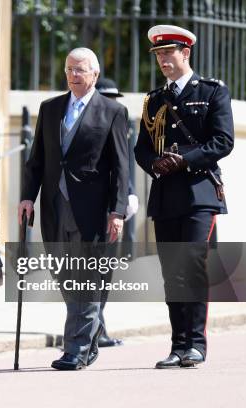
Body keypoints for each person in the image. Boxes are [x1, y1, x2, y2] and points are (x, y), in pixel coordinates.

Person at [19, 48, 129, 370]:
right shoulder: (50, 109)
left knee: (86, 277)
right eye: (69, 69)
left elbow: (122, 167)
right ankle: (91, 336)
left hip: (92, 210)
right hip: (55, 205)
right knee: (64, 274)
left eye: (80, 70)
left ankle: (75, 350)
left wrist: (118, 210)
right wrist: (27, 196)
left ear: (94, 74)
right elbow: (36, 160)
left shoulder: (112, 111)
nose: (73, 75)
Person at [134, 25, 234, 369]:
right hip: (165, 195)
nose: (163, 60)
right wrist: (156, 163)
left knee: (192, 267)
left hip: (198, 195)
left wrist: (185, 159)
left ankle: (196, 345)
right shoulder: (154, 100)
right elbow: (141, 148)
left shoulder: (212, 92)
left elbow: (223, 141)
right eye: (159, 55)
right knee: (172, 273)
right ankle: (178, 346)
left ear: (185, 53)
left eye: (168, 53)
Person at [94, 77, 140, 348]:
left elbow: (122, 168)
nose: (110, 103)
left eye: (112, 99)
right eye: (106, 98)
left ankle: (98, 328)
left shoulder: (117, 125)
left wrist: (127, 198)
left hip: (112, 214)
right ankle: (90, 329)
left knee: (104, 273)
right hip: (89, 212)